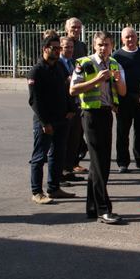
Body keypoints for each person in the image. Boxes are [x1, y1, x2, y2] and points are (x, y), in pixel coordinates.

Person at [70, 31, 127, 225]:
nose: (104, 48)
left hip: (106, 114)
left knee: (98, 164)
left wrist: (118, 80)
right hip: (90, 115)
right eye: (100, 45)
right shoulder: (84, 63)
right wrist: (96, 80)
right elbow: (73, 90)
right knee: (100, 162)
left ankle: (92, 207)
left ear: (112, 46)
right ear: (95, 45)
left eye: (107, 45)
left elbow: (122, 92)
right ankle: (104, 209)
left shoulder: (113, 63)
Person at [27, 34, 77, 204]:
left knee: (58, 154)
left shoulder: (60, 67)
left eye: (59, 48)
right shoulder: (36, 70)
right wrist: (44, 122)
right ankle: (37, 192)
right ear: (45, 49)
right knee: (40, 157)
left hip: (62, 119)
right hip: (45, 122)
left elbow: (67, 89)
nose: (58, 51)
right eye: (54, 48)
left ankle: (54, 188)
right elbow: (34, 100)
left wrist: (71, 109)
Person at [113, 27, 140, 173]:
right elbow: (113, 81)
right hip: (124, 99)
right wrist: (114, 101)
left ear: (137, 37)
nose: (130, 40)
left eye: (132, 36)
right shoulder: (117, 56)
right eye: (127, 37)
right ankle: (122, 162)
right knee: (122, 132)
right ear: (122, 39)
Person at [58, 36, 87, 182]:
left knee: (74, 141)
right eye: (65, 47)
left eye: (71, 47)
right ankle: (59, 174)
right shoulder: (57, 64)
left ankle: (68, 170)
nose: (69, 50)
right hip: (63, 109)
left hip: (76, 106)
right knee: (62, 142)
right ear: (60, 48)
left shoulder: (75, 63)